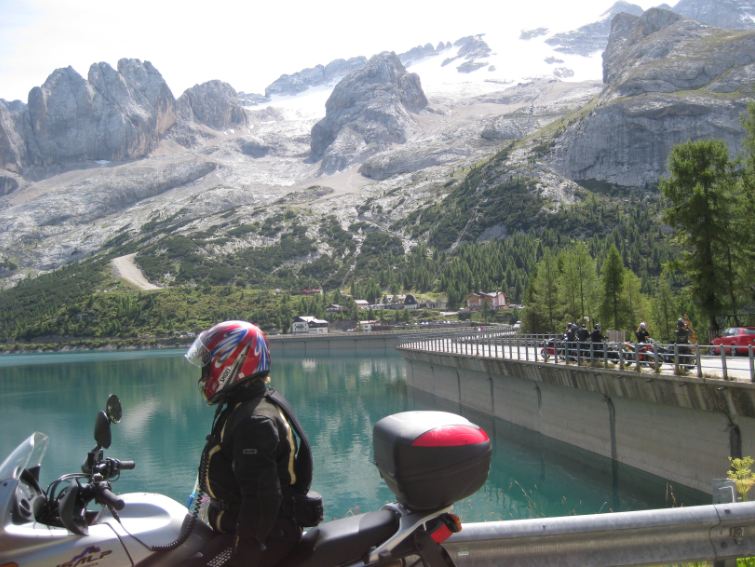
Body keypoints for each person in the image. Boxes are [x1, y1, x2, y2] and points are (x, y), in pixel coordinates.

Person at [185, 320, 318, 567]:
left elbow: (261, 499)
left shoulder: (254, 421)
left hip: (264, 535)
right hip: (250, 528)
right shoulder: (247, 403)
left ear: (231, 361)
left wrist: (243, 554)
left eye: (207, 363)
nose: (204, 373)